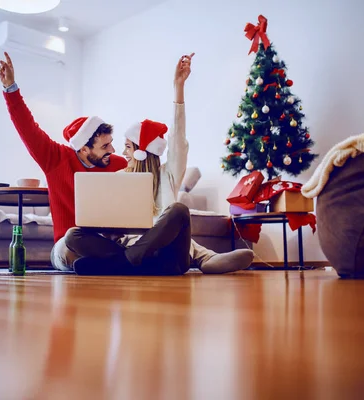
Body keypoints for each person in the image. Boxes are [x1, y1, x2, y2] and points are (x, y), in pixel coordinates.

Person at [67, 53, 254, 274]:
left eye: (128, 147)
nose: (123, 153)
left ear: (142, 152)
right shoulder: (118, 179)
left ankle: (123, 264)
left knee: (179, 210)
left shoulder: (168, 174)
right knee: (73, 235)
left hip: (169, 255)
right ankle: (132, 264)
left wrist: (179, 88)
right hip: (139, 254)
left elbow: (178, 138)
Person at [0, 52, 128, 271]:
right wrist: (10, 89)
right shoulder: (55, 159)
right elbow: (27, 128)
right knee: (70, 243)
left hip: (106, 242)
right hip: (69, 244)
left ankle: (108, 264)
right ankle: (119, 263)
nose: (113, 150)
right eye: (105, 146)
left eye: (111, 144)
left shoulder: (120, 166)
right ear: (84, 149)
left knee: (117, 244)